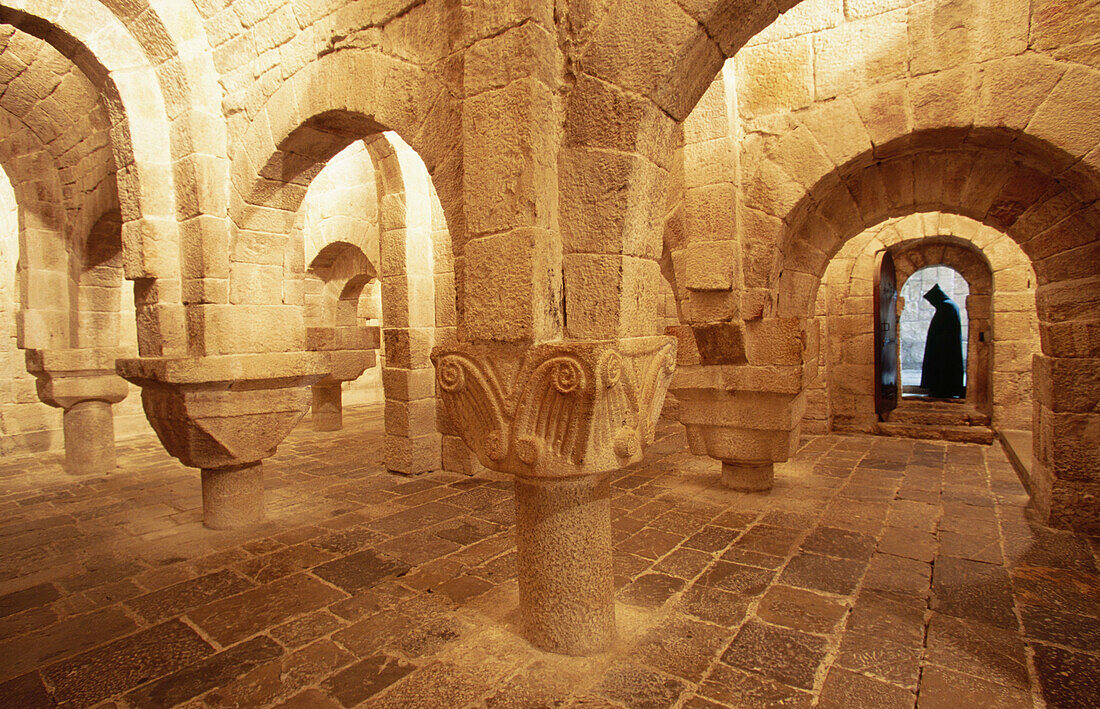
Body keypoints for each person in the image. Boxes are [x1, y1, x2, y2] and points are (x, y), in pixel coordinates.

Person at [920, 284, 965, 398]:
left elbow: (939, 328)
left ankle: (941, 389)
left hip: (943, 346)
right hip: (946, 344)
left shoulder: (946, 306)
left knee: (942, 367)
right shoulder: (949, 305)